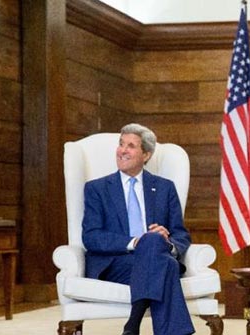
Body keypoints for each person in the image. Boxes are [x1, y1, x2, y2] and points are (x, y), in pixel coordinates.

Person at [82, 123, 194, 335]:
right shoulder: (97, 188)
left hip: (155, 258)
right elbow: (91, 237)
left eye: (131, 146)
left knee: (154, 243)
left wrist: (167, 242)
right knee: (165, 263)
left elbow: (181, 234)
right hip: (115, 262)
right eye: (121, 144)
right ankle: (139, 324)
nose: (122, 150)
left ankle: (132, 325)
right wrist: (135, 242)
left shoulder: (164, 187)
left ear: (146, 155)